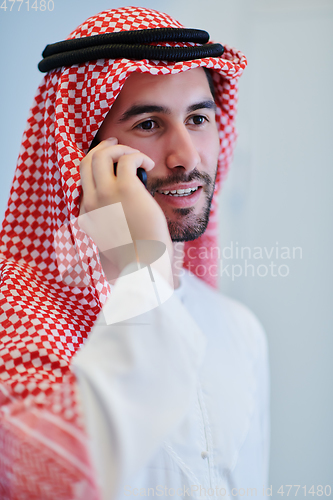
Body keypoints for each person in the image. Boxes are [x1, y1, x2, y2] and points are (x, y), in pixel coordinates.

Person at [0, 6, 270, 500]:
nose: (186, 154)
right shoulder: (14, 324)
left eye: (198, 118)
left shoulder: (240, 331)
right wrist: (143, 260)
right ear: (85, 155)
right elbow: (52, 481)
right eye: (148, 124)